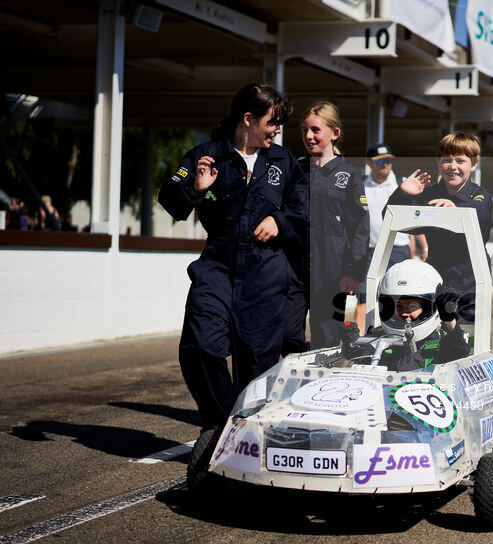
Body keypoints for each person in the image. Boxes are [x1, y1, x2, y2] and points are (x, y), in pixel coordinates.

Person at [157, 82, 307, 484]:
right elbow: (169, 196)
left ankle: (247, 444)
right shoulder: (207, 155)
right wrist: (194, 188)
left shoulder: (284, 162)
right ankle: (223, 425)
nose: (276, 131)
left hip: (265, 271)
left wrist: (281, 221)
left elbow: (304, 210)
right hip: (218, 263)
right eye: (271, 123)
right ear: (248, 120)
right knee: (199, 345)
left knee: (258, 365)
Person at [386, 132, 493, 324]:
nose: (453, 166)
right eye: (446, 160)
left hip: (471, 286)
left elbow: (478, 212)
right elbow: (389, 217)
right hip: (433, 283)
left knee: (466, 345)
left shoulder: (481, 196)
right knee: (431, 345)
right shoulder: (428, 194)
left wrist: (454, 209)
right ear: (438, 162)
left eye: (460, 161)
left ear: (474, 164)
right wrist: (402, 194)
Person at [289, 101, 369, 353]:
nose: (308, 136)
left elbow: (360, 227)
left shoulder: (348, 174)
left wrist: (354, 271)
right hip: (292, 265)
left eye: (315, 130)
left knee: (327, 336)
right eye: (304, 130)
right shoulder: (295, 169)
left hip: (331, 267)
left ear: (335, 133)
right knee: (285, 333)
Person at [339, 260, 470, 371]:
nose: (404, 312)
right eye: (398, 306)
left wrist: (449, 318)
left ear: (430, 306)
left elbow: (460, 353)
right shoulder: (383, 336)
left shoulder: (441, 339)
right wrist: (350, 342)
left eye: (412, 306)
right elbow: (360, 357)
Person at [354, 142, 417, 334]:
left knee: (399, 297)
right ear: (369, 163)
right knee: (365, 296)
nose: (385, 164)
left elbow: (414, 218)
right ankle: (358, 343)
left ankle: (400, 338)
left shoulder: (403, 184)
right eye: (380, 161)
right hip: (370, 251)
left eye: (388, 160)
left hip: (398, 250)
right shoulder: (359, 185)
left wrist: (421, 248)